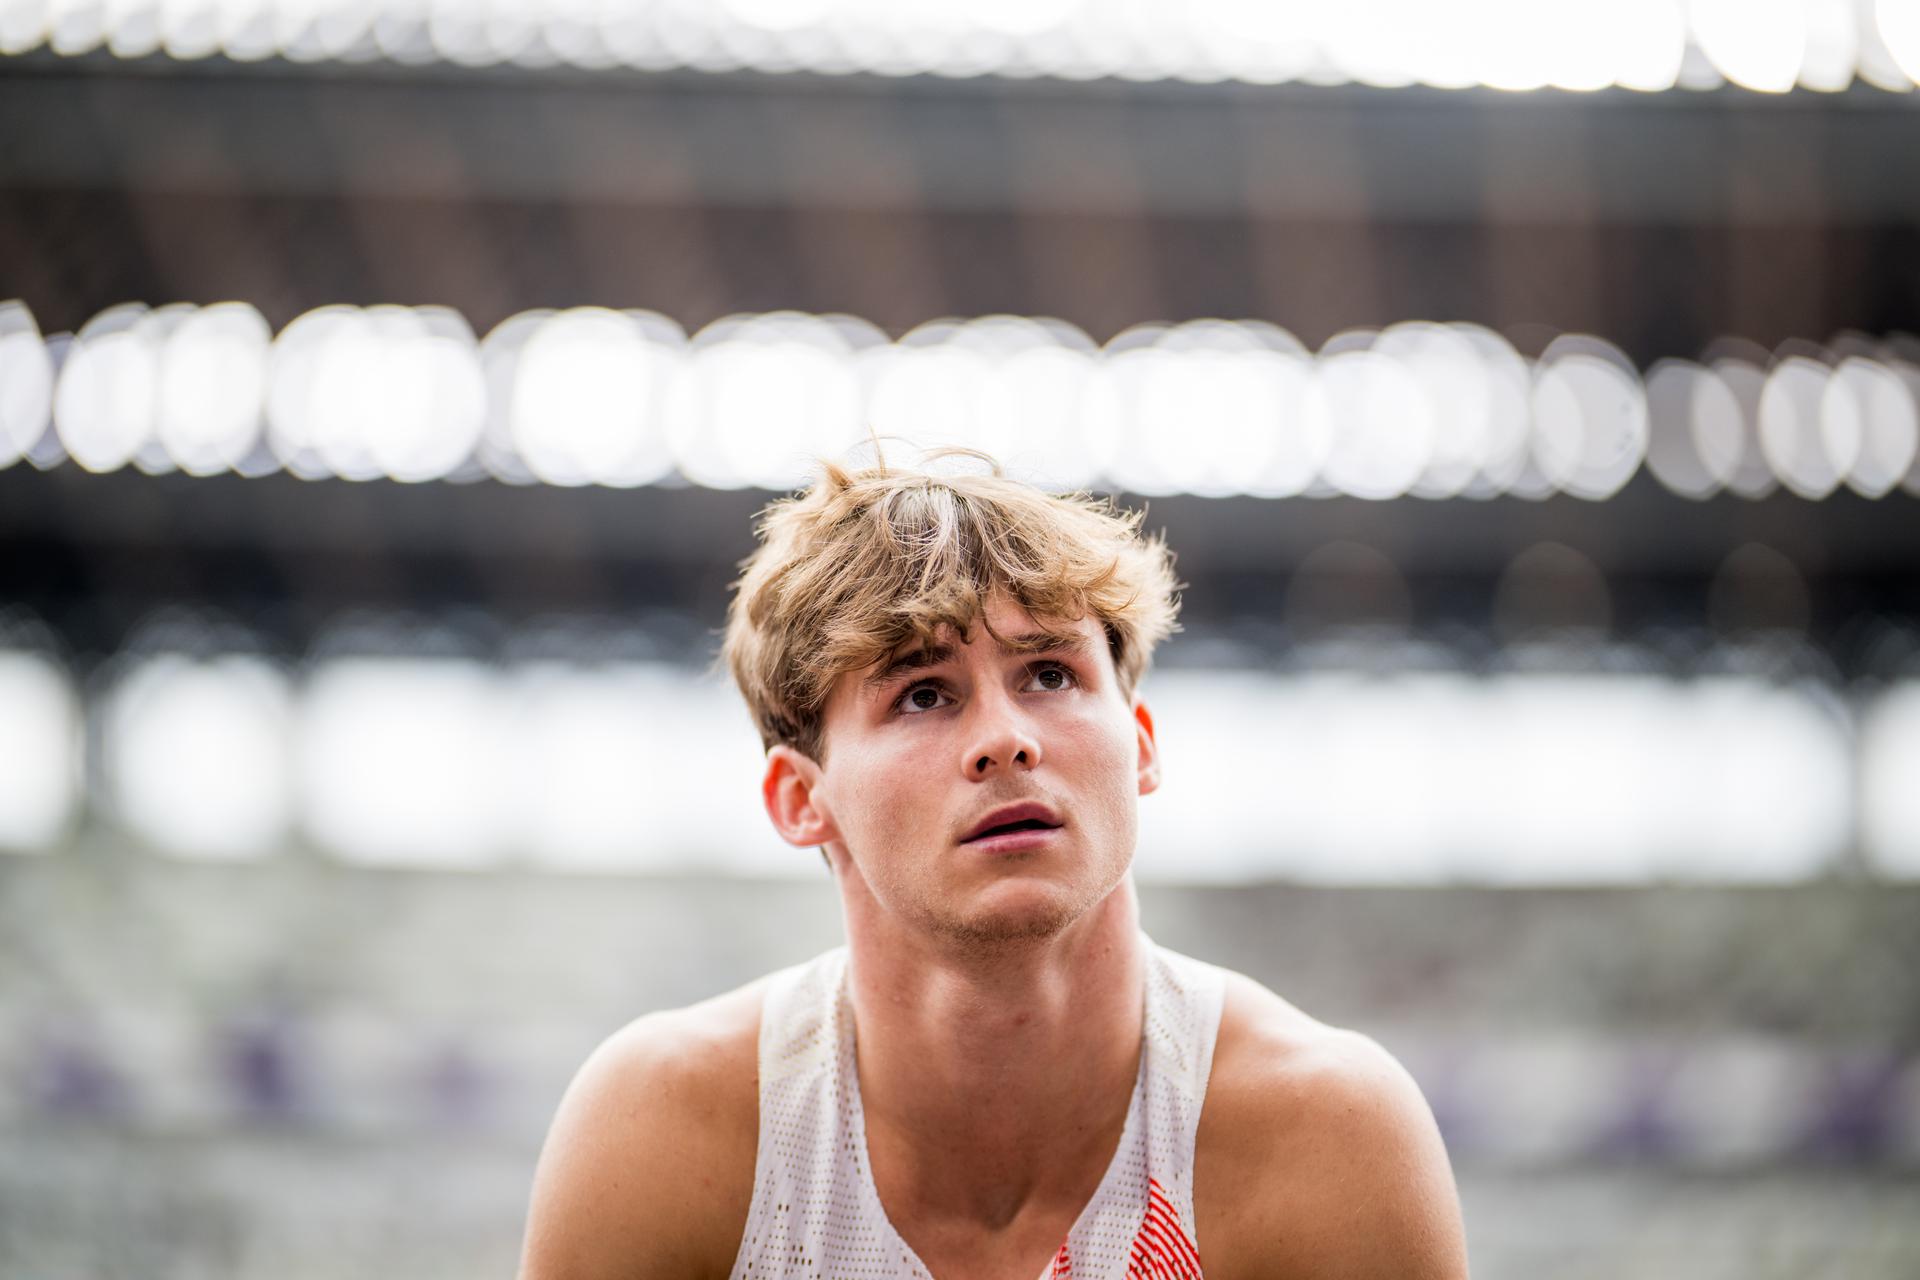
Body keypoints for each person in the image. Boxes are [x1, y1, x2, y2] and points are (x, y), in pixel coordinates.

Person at [518, 452, 1469, 1279]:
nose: (1006, 740)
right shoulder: (665, 1135)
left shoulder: (1329, 1135)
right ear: (802, 800)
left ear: (1139, 744)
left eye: (1050, 674)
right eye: (924, 694)